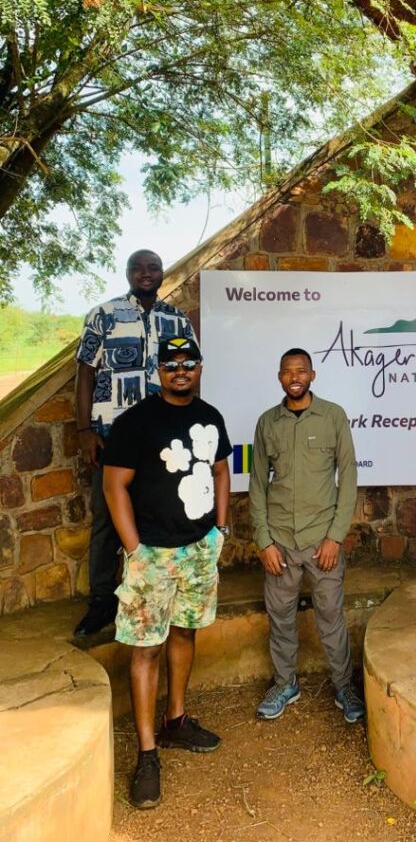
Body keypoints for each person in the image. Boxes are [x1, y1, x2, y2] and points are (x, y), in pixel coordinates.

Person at [103, 337, 232, 808]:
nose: (181, 370)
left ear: (199, 367)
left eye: (188, 362)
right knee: (146, 649)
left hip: (198, 549)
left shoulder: (211, 416)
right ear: (159, 371)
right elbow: (114, 486)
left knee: (184, 632)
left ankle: (175, 721)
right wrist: (134, 549)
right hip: (152, 554)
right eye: (171, 364)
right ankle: (147, 753)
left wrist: (220, 529)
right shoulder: (135, 422)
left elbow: (221, 471)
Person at [74, 249, 198, 636]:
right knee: (106, 521)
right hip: (112, 438)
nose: (146, 273)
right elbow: (85, 373)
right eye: (138, 268)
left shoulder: (176, 319)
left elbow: (189, 373)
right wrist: (85, 430)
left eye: (153, 267)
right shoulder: (103, 314)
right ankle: (101, 601)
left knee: (157, 516)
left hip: (163, 441)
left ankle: (151, 591)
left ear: (161, 274)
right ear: (128, 273)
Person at [248, 347, 365, 724]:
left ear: (312, 375)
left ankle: (344, 686)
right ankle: (285, 684)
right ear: (279, 377)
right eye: (288, 371)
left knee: (331, 617)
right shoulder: (268, 423)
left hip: (322, 541)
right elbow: (257, 484)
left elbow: (348, 478)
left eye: (301, 371)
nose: (294, 377)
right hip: (280, 542)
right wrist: (264, 541)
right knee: (280, 618)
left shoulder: (333, 416)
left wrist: (335, 537)